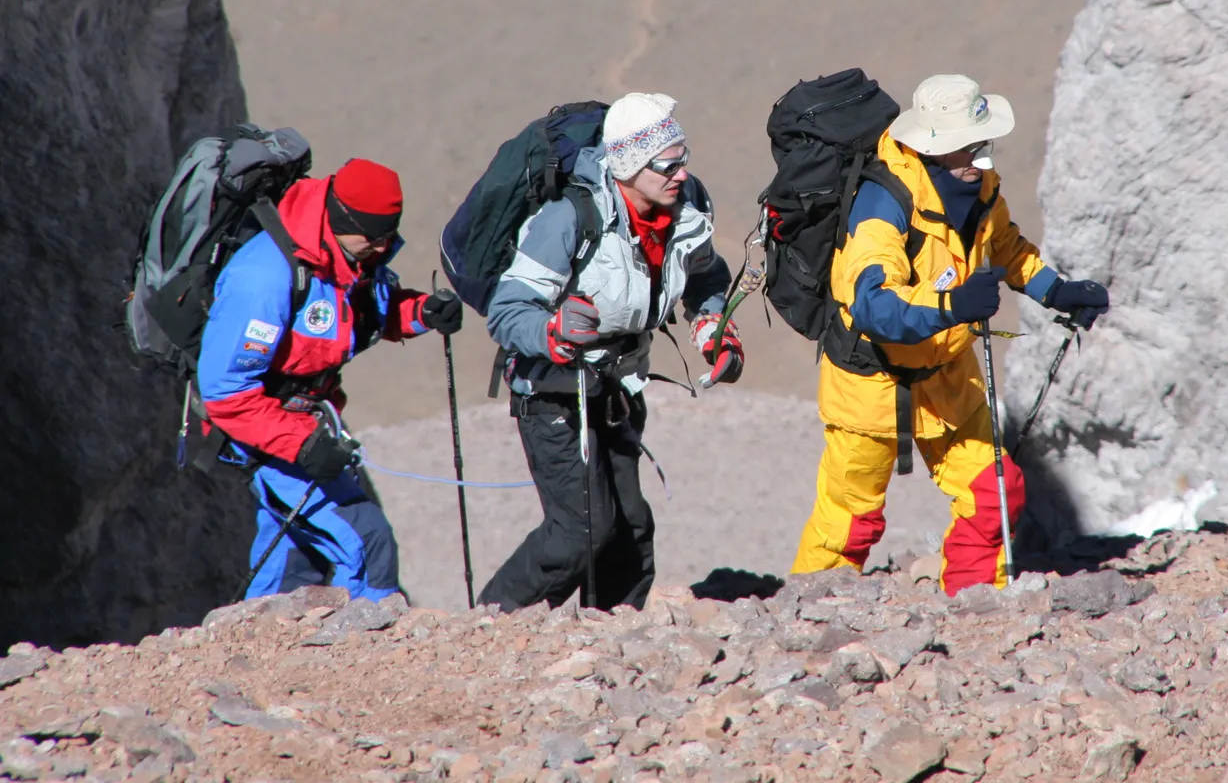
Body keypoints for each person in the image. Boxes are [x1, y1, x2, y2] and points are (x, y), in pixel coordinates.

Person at [790, 74, 1110, 594]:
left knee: (994, 492)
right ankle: (802, 625)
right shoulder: (882, 206)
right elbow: (873, 306)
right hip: (872, 385)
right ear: (935, 147)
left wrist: (1057, 291)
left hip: (948, 378)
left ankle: (975, 608)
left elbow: (1002, 245)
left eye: (984, 145)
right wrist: (952, 304)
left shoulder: (978, 186)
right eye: (972, 147)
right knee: (848, 523)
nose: (983, 158)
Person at [479, 91, 741, 612]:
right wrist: (552, 329)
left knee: (629, 528)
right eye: (666, 163)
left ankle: (616, 639)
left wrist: (714, 324)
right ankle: (492, 626)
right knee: (579, 531)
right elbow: (507, 312)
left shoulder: (686, 209)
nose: (680, 173)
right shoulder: (569, 218)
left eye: (682, 157)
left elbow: (705, 272)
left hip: (619, 385)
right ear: (628, 166)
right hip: (554, 390)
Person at [197, 158, 463, 600]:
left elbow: (354, 316)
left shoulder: (346, 255)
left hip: (307, 423)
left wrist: (419, 313)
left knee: (295, 559)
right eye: (374, 239)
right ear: (344, 221)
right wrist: (302, 445)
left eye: (388, 237)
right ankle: (377, 647)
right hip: (267, 432)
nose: (382, 249)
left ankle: (264, 646)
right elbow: (226, 393)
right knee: (367, 539)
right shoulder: (264, 278)